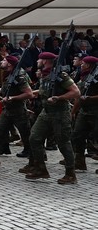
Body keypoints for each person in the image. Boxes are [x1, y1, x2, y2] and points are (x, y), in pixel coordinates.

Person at [25, 52, 79, 183]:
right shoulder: (46, 75)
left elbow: (76, 92)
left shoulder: (60, 75)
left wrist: (59, 98)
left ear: (45, 61)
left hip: (60, 113)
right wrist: (32, 93)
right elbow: (45, 90)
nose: (37, 61)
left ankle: (71, 173)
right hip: (46, 112)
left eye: (40, 59)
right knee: (34, 138)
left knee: (63, 143)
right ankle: (40, 169)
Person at [0, 56, 34, 171]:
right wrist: (1, 92)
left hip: (19, 110)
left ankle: (35, 163)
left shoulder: (19, 76)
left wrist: (12, 98)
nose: (2, 62)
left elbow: (29, 94)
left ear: (10, 64)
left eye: (4, 60)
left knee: (27, 137)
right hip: (7, 110)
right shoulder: (9, 75)